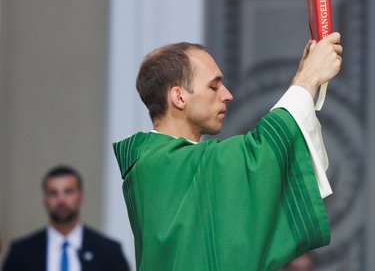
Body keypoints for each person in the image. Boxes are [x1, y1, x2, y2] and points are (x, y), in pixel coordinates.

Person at [113, 33, 342, 270]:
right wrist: (306, 82)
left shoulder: (176, 164)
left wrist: (303, 83)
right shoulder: (158, 164)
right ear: (179, 97)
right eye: (214, 86)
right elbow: (259, 155)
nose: (227, 95)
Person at [2, 165, 130, 271]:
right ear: (45, 200)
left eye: (68, 192)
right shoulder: (20, 253)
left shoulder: (108, 251)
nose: (61, 200)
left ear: (80, 197)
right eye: (53, 193)